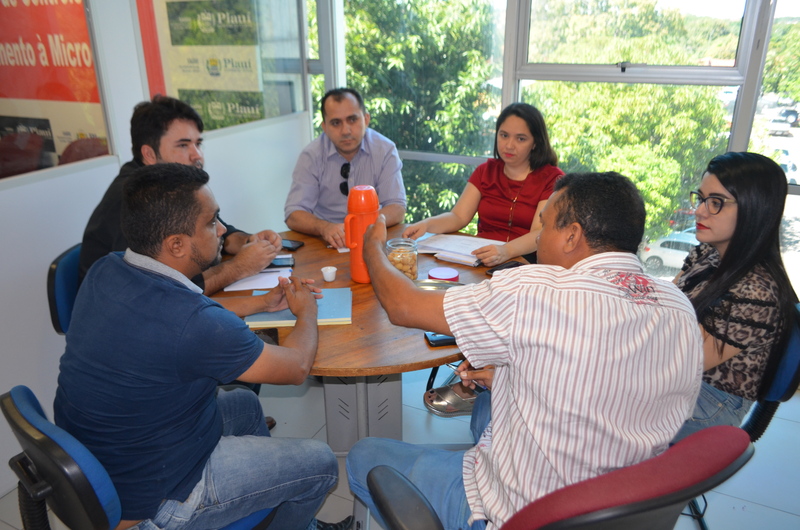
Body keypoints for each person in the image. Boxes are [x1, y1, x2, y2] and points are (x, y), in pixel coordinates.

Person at [346, 172, 703, 529]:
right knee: (488, 408)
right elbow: (620, 384)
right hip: (619, 508)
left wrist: (374, 248)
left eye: (543, 226)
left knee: (364, 456)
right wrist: (512, 376)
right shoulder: (679, 307)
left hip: (516, 514)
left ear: (572, 235)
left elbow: (403, 306)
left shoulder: (534, 291)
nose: (536, 238)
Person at [55, 163, 352, 530]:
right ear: (176, 244)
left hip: (112, 462)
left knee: (244, 404)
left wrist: (262, 302)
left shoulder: (109, 268)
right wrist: (306, 312)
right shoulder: (194, 324)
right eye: (212, 223)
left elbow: (189, 320)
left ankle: (272, 511)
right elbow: (295, 368)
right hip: (159, 503)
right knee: (320, 462)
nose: (224, 229)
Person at [406, 103, 564, 417]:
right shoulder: (486, 171)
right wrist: (426, 225)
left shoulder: (551, 177)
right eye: (504, 135)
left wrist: (505, 251)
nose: (509, 145)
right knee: (448, 292)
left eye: (520, 138)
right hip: (479, 260)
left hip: (523, 262)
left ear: (536, 141)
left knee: (497, 307)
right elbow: (458, 216)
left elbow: (540, 233)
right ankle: (472, 371)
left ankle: (477, 379)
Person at [79, 95, 282, 300]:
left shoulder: (172, 185)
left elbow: (211, 226)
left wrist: (246, 241)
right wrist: (238, 268)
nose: (197, 155)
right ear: (149, 154)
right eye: (183, 145)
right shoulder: (135, 199)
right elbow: (156, 293)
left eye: (198, 143)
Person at [671, 152, 799, 442]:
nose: (699, 212)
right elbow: (664, 302)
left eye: (716, 203)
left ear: (756, 209)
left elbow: (682, 364)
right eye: (701, 198)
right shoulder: (707, 253)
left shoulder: (757, 290)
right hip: (684, 381)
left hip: (710, 402)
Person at [284, 88, 406, 248]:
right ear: (324, 127)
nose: (346, 130)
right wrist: (324, 227)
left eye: (352, 120)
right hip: (325, 241)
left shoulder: (385, 149)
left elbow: (397, 207)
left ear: (366, 119)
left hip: (372, 236)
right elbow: (293, 214)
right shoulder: (311, 155)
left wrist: (361, 225)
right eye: (336, 123)